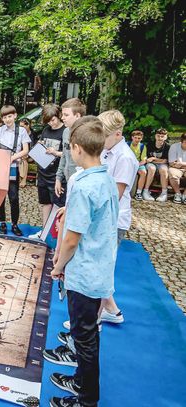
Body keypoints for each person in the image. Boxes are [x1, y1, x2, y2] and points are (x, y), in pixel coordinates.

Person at [46, 116, 119, 407]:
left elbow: (72, 239)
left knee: (84, 338)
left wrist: (59, 266)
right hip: (99, 267)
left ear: (76, 148)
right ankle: (80, 381)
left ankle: (86, 399)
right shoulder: (105, 178)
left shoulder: (85, 187)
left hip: (85, 273)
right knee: (87, 334)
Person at [98, 110, 138, 325]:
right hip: (103, 218)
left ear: (117, 134)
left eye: (104, 135)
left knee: (102, 268)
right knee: (99, 266)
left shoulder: (125, 157)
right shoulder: (107, 150)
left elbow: (115, 196)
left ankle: (93, 321)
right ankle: (111, 310)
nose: (100, 140)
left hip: (113, 220)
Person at [0, 105, 30, 236]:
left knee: (14, 198)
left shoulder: (22, 131)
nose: (7, 119)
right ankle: (2, 223)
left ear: (15, 116)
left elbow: (26, 150)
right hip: (0, 168)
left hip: (13, 167)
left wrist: (12, 157)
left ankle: (14, 224)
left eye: (9, 116)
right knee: (0, 197)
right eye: (4, 117)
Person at [30, 104, 66, 239]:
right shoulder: (46, 129)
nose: (51, 123)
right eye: (48, 121)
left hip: (56, 176)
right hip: (43, 172)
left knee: (58, 206)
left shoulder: (65, 132)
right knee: (45, 203)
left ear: (59, 116)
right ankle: (44, 232)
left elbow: (70, 154)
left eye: (53, 120)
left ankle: (58, 235)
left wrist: (55, 152)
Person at [55, 98, 87, 200]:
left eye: (66, 115)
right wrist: (58, 177)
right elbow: (64, 155)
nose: (62, 118)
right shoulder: (65, 132)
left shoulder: (87, 134)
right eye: (62, 114)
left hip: (82, 182)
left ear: (77, 116)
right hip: (68, 179)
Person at [142, 128, 170, 202]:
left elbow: (165, 160)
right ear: (155, 136)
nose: (160, 138)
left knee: (163, 169)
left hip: (162, 165)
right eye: (158, 136)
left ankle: (164, 193)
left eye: (162, 136)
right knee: (151, 168)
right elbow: (148, 159)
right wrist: (155, 160)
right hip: (151, 164)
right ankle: (145, 191)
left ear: (166, 137)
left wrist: (153, 158)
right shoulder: (150, 144)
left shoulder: (167, 147)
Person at [128, 130, 147, 201]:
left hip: (138, 164)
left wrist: (137, 165)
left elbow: (144, 160)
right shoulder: (127, 145)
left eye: (139, 138)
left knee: (143, 172)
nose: (137, 140)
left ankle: (138, 193)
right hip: (128, 163)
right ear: (132, 137)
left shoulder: (142, 146)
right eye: (135, 138)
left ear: (141, 138)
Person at [18, 118, 37, 188]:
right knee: (23, 158)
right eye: (20, 126)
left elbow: (35, 147)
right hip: (22, 154)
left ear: (28, 125)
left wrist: (29, 154)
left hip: (32, 155)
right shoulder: (20, 134)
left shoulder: (34, 134)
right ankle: (22, 178)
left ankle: (23, 179)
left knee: (24, 159)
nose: (20, 128)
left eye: (22, 126)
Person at [168, 133, 186, 203]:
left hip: (179, 166)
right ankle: (177, 194)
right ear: (181, 141)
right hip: (175, 168)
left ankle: (185, 195)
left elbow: (177, 163)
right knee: (173, 174)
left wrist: (181, 164)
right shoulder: (174, 146)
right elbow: (172, 163)